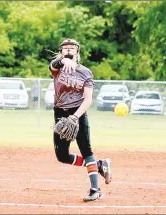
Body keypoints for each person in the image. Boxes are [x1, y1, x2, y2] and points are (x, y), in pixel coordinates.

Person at [49, 39, 112, 202]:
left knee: (86, 150)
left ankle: (95, 190)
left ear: (78, 52)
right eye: (65, 48)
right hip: (60, 114)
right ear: (61, 52)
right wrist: (63, 60)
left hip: (78, 114)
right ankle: (99, 166)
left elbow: (88, 99)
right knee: (62, 156)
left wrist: (75, 117)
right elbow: (54, 64)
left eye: (72, 48)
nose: (69, 50)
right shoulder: (57, 69)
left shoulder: (85, 72)